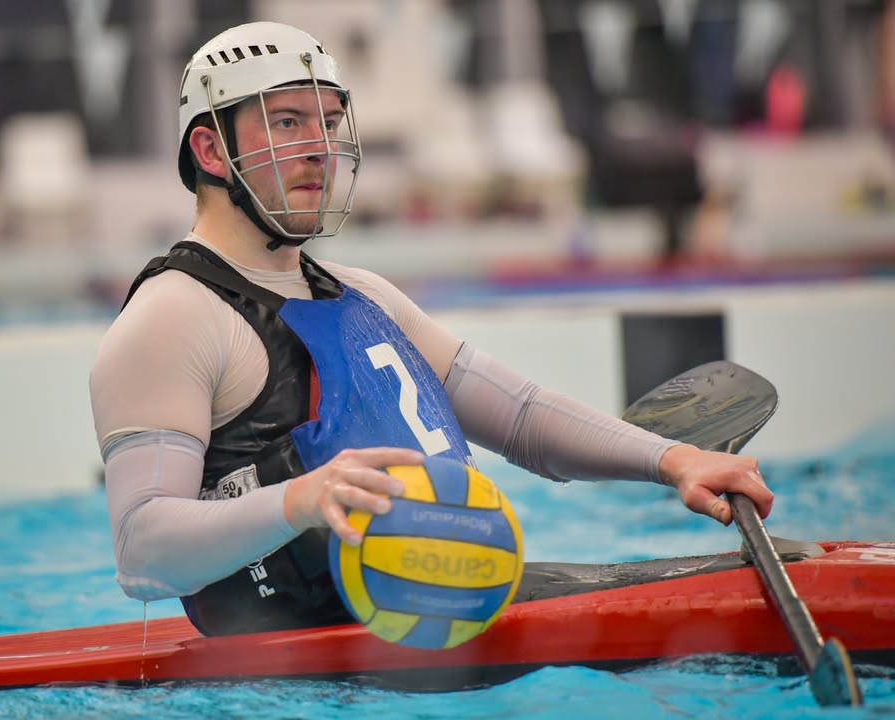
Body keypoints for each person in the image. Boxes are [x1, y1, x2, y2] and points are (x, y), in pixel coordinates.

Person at [89, 21, 774, 638]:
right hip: (300, 679)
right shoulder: (172, 318)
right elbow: (142, 552)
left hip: (451, 619)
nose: (319, 149)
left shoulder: (364, 294)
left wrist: (673, 461)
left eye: (329, 123)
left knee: (775, 573)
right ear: (211, 150)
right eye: (289, 122)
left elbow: (523, 419)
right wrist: (299, 500)